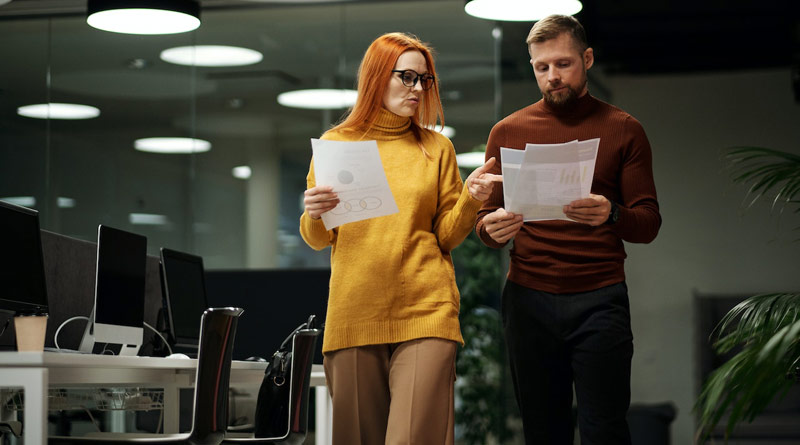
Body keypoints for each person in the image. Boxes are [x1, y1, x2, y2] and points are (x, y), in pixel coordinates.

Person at [299, 32, 500, 445]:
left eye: (424, 80)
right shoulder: (337, 145)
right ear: (376, 77)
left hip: (426, 311)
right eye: (406, 77)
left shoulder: (437, 147)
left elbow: (446, 235)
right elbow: (318, 238)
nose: (417, 89)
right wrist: (313, 212)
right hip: (355, 313)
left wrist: (470, 199)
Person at [474, 15, 662, 445]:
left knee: (605, 430)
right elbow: (483, 223)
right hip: (528, 299)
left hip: (600, 298)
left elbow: (648, 222)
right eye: (542, 67)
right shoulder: (507, 131)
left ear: (587, 59)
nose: (552, 77)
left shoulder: (624, 129)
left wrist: (611, 213)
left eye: (563, 64)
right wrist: (492, 229)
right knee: (543, 432)